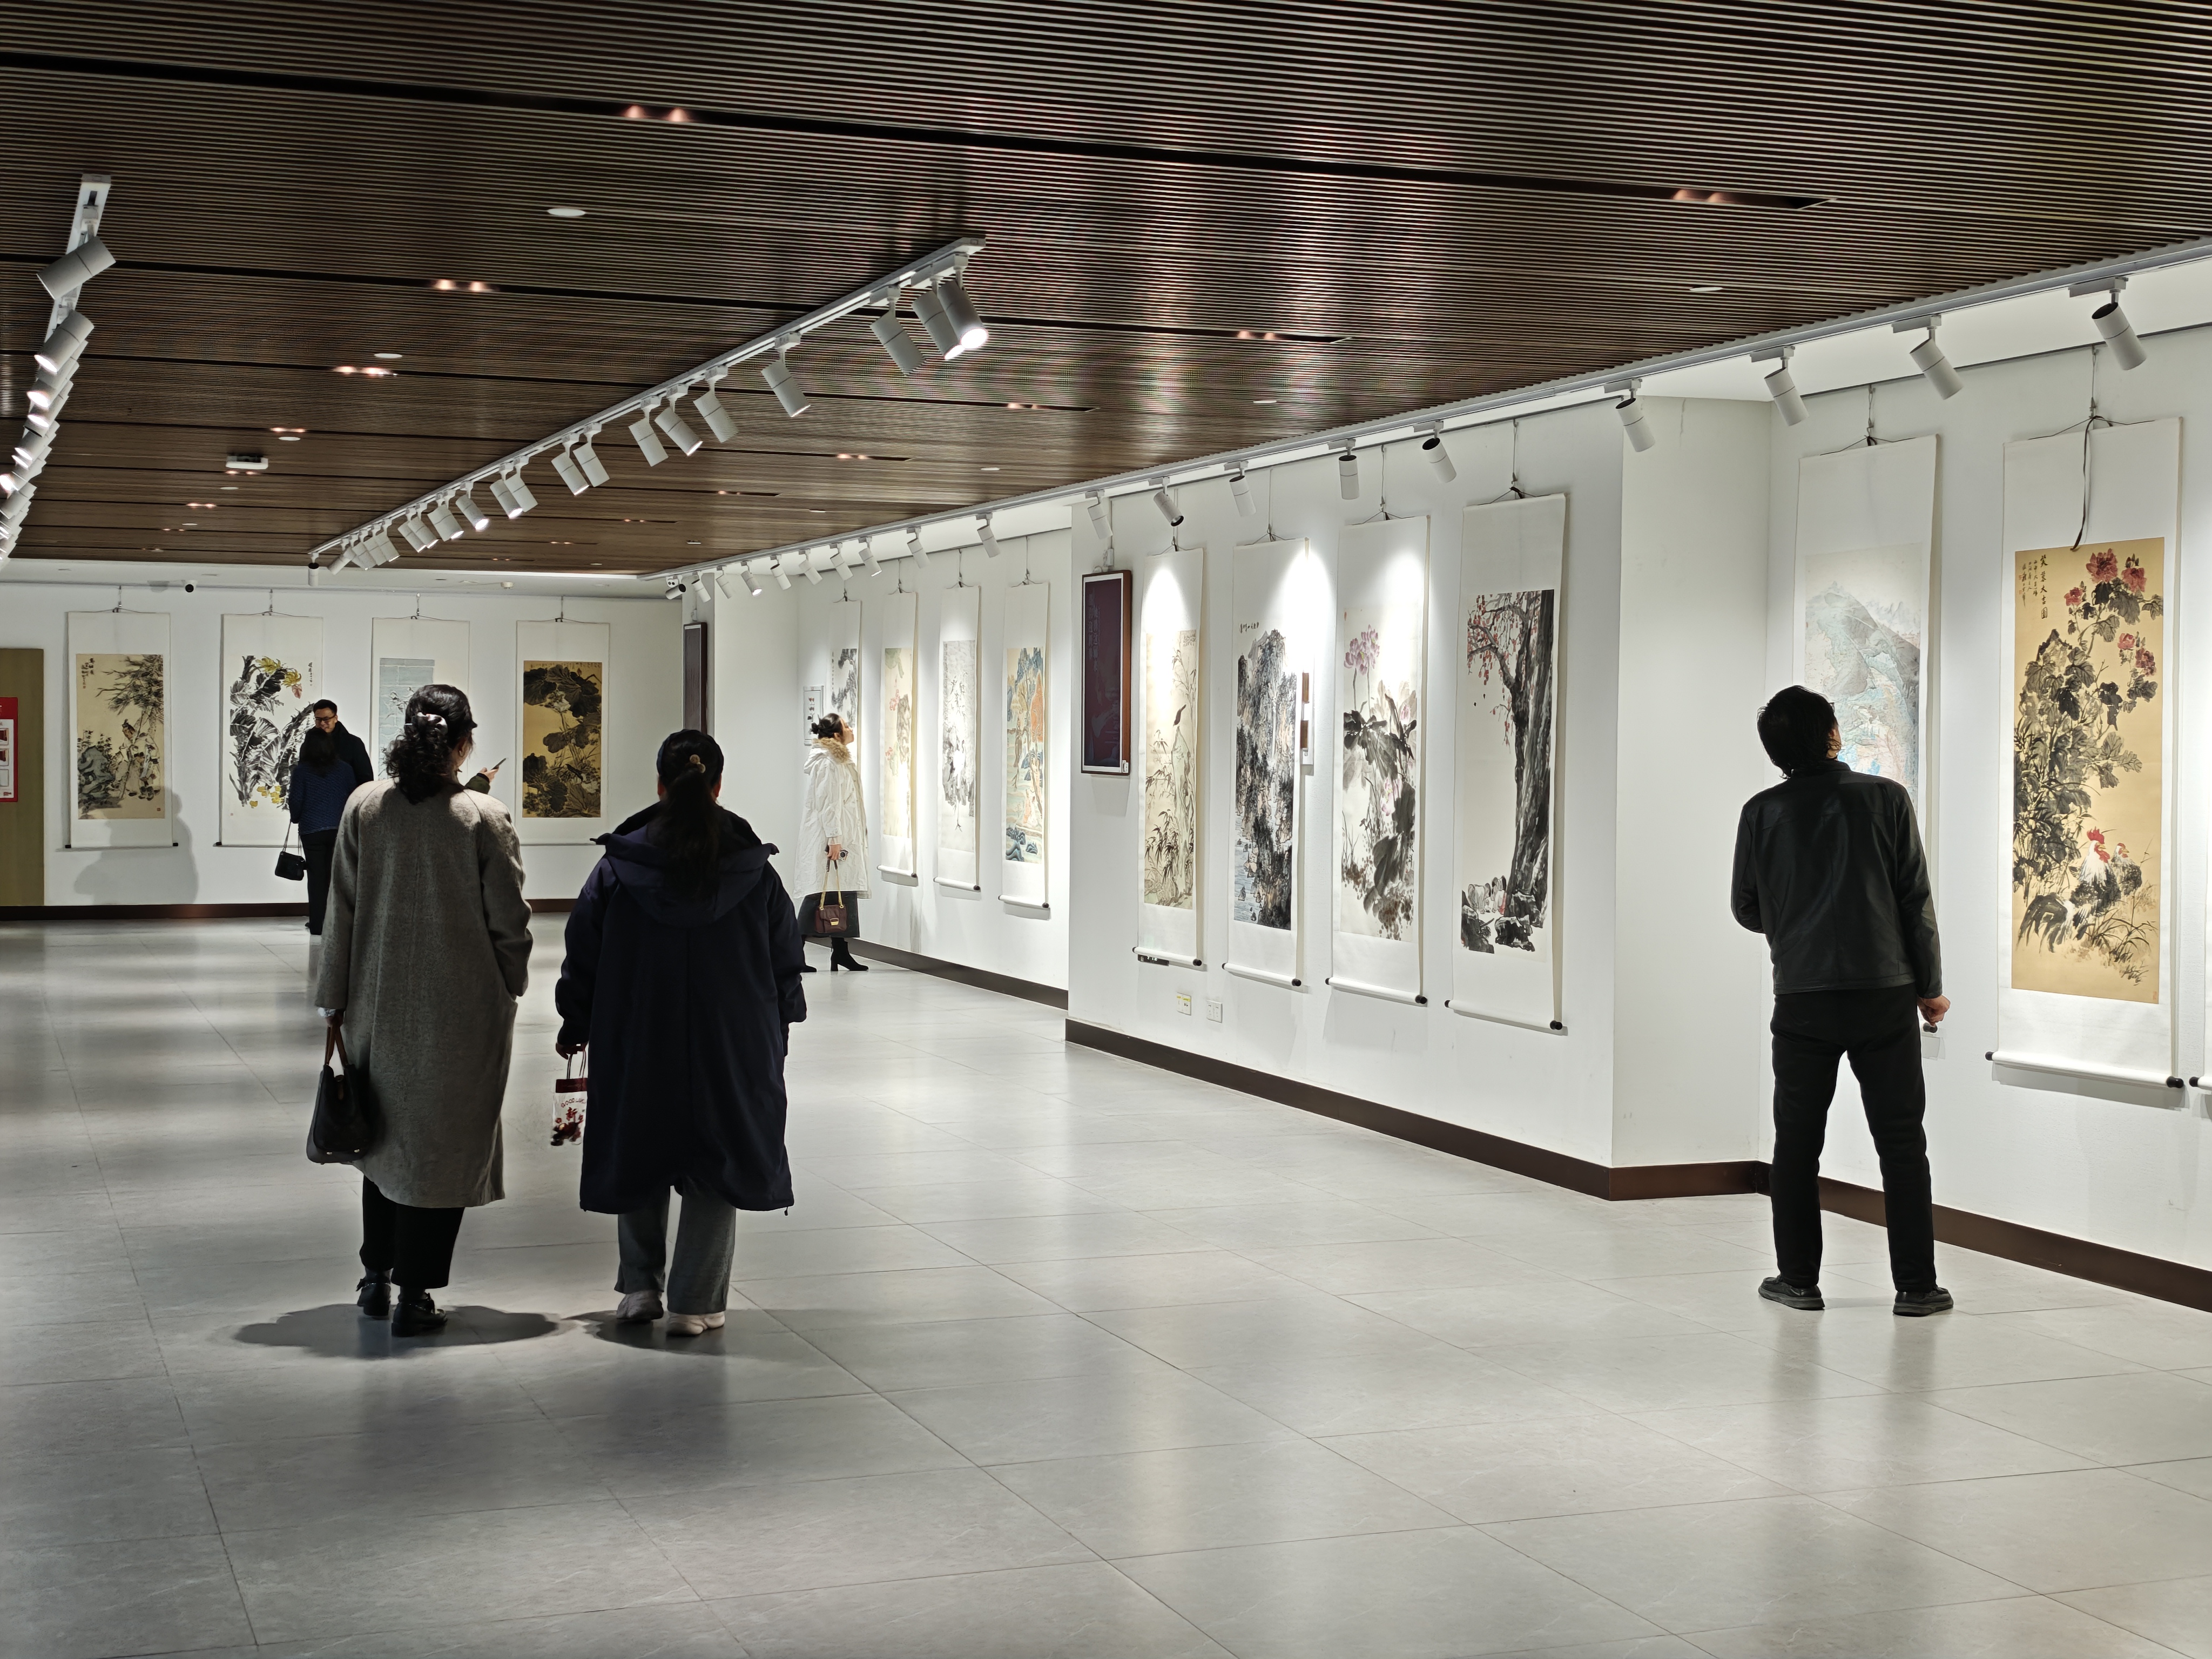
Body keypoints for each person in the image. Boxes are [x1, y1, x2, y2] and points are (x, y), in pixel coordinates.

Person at [554, 730, 807, 1336]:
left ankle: (640, 1288)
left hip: (636, 1029)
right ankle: (695, 1302)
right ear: (718, 786)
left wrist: (576, 1019)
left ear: (660, 785)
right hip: (734, 1036)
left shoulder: (620, 867)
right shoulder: (754, 870)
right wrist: (780, 1026)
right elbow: (785, 959)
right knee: (720, 1153)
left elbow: (583, 950)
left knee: (639, 1143)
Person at [315, 685, 532, 1337]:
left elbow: (340, 910)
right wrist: (511, 984)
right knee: (442, 1145)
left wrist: (334, 998)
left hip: (377, 1004)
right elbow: (509, 921)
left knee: (381, 1137)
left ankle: (375, 1276)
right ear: (463, 743)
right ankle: (416, 1294)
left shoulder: (366, 806)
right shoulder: (482, 817)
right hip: (462, 1011)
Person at [1731, 684, 1952, 1318]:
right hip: (1883, 992)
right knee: (1901, 1142)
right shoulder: (1886, 799)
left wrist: (1792, 922)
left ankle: (1797, 1281)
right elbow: (1913, 900)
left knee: (1797, 1144)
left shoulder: (1760, 812)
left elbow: (1746, 908)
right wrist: (1929, 987)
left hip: (1802, 996)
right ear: (1833, 734)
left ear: (1774, 751)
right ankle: (1917, 1286)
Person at [797, 713, 870, 972]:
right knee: (820, 894)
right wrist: (835, 839)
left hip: (842, 836)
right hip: (832, 838)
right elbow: (829, 804)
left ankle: (840, 952)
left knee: (842, 894)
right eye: (846, 726)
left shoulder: (838, 760)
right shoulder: (829, 763)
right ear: (837, 735)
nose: (851, 728)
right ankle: (792, 954)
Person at [287, 726, 356, 935]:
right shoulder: (345, 770)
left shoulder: (302, 771)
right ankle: (338, 925)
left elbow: (296, 800)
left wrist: (296, 817)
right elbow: (353, 799)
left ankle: (318, 925)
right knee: (336, 878)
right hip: (338, 829)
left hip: (312, 830)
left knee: (316, 878)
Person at [312, 699, 375, 788]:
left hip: (347, 795)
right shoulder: (309, 744)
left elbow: (366, 779)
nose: (322, 723)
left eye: (326, 719)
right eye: (318, 719)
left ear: (335, 719)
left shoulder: (354, 743)